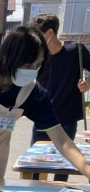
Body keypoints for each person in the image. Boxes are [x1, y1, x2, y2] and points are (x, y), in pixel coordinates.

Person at [0, 26, 90, 184]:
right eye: (27, 65)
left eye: (38, 65)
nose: (33, 71)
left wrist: (87, 170)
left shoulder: (34, 94)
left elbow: (61, 140)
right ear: (7, 58)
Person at [29, 13, 90, 181]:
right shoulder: (37, 55)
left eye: (37, 35)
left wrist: (87, 84)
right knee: (35, 166)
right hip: (41, 116)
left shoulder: (75, 50)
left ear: (49, 33)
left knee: (63, 166)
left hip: (67, 117)